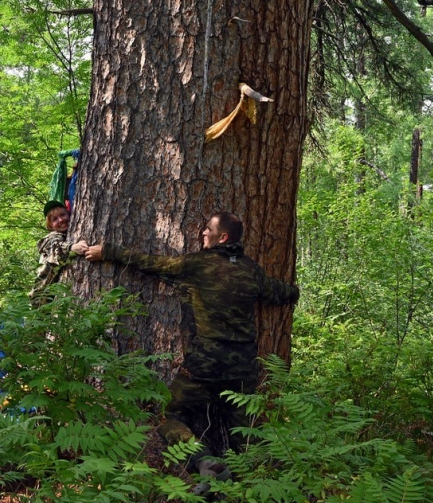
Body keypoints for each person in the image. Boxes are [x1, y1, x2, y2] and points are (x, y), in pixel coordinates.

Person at [84, 211, 298, 487]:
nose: (203, 233)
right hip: (242, 368)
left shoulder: (197, 264)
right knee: (245, 434)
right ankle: (255, 487)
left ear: (223, 237)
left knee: (167, 417)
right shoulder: (250, 269)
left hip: (205, 365)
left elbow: (151, 263)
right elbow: (278, 292)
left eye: (208, 229)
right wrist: (295, 291)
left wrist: (110, 251)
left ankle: (204, 461)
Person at [31, 200, 87, 295]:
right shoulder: (50, 238)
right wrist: (71, 248)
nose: (60, 220)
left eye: (62, 215)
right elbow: (55, 246)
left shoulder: (69, 235)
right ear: (50, 226)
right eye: (54, 219)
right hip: (42, 297)